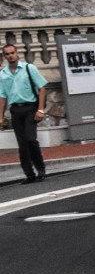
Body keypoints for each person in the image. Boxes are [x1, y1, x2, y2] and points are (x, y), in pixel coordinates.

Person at [0, 43, 49, 184]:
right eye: (7, 54)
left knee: (30, 139)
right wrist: (1, 117)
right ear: (4, 56)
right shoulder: (3, 74)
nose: (10, 56)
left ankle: (40, 169)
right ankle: (29, 174)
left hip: (30, 108)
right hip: (15, 110)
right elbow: (2, 96)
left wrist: (40, 109)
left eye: (12, 53)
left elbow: (42, 87)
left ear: (17, 53)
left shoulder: (28, 68)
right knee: (22, 144)